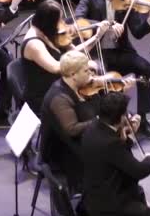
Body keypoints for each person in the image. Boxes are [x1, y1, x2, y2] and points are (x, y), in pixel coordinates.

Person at [75, 0, 150, 138]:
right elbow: (79, 22)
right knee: (107, 83)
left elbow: (137, 32)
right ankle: (111, 125)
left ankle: (143, 119)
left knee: (146, 69)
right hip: (98, 53)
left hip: (120, 51)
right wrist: (103, 24)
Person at [21, 0, 109, 115]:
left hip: (61, 84)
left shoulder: (50, 32)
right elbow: (55, 67)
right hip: (45, 95)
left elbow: (75, 51)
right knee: (91, 103)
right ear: (49, 21)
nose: (63, 23)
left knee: (99, 86)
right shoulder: (34, 44)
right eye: (59, 20)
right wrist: (83, 65)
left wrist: (97, 37)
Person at [39, 50, 105, 192]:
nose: (91, 74)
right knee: (107, 153)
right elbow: (72, 130)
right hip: (62, 150)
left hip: (75, 139)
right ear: (73, 75)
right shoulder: (59, 98)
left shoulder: (77, 86)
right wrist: (101, 121)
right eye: (86, 71)